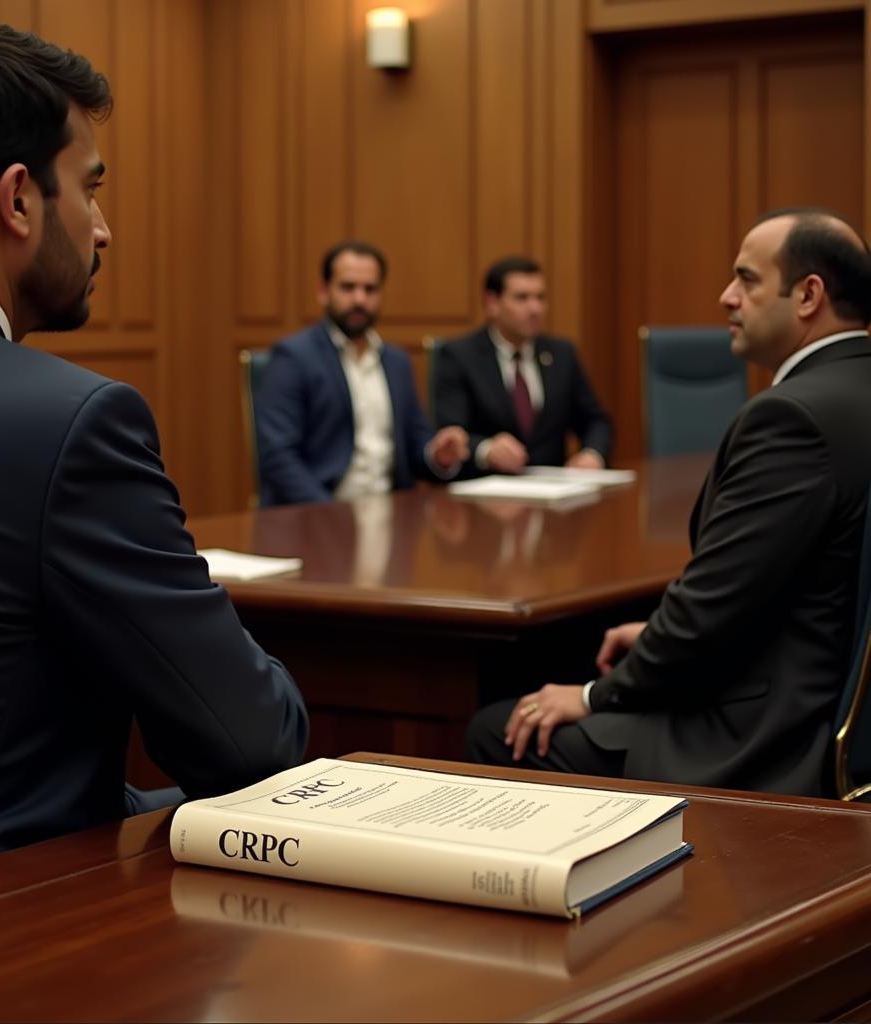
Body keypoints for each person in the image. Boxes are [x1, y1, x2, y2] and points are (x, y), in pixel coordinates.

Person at [0, 17, 308, 869]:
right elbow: (250, 745)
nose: (102, 230)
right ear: (18, 199)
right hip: (2, 925)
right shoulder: (67, 421)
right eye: (89, 188)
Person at [467, 209, 871, 797]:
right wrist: (661, 629)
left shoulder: (792, 418)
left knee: (497, 729)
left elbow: (711, 612)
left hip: (765, 738)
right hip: (833, 705)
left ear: (808, 295)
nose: (726, 296)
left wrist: (588, 696)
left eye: (747, 279)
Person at [255, 241, 469, 506]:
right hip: (316, 517)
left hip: (390, 517)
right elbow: (278, 456)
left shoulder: (397, 362)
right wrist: (328, 514)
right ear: (323, 291)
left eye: (370, 289)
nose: (359, 299)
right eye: (348, 287)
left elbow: (415, 443)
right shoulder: (293, 357)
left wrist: (436, 455)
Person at [434, 256, 611, 475]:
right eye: (522, 298)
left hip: (552, 490)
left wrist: (592, 453)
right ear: (492, 303)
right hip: (487, 492)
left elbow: (595, 420)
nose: (535, 308)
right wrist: (485, 450)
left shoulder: (562, 354)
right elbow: (449, 434)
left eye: (540, 297)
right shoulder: (458, 356)